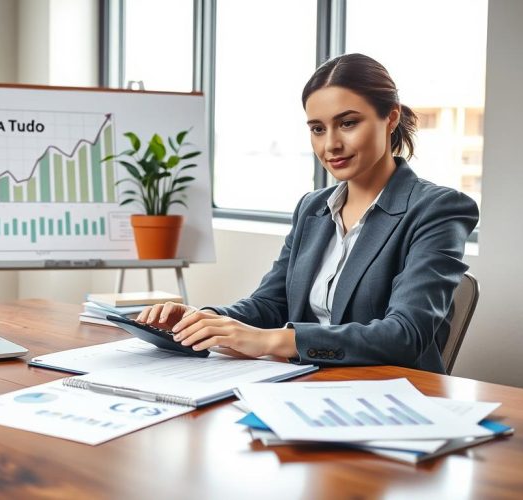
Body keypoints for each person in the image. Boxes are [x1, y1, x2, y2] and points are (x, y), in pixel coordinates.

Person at [137, 53, 479, 374]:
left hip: (390, 398)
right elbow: (270, 305)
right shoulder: (312, 208)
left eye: (347, 123)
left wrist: (272, 340)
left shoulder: (438, 209)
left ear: (390, 117)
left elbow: (404, 335)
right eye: (317, 128)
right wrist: (203, 319)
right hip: (302, 384)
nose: (330, 144)